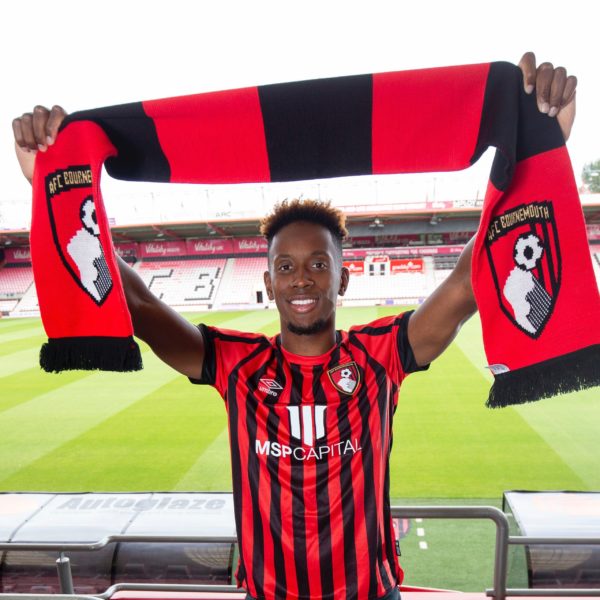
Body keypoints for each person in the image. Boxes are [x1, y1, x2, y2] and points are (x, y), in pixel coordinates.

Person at [12, 53, 576, 600]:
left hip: (370, 594)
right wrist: (55, 188)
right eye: (286, 267)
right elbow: (134, 300)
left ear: (343, 280)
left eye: (317, 265)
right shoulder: (237, 364)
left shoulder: (381, 356)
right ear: (269, 280)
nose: (301, 280)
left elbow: (465, 282)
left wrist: (537, 150)